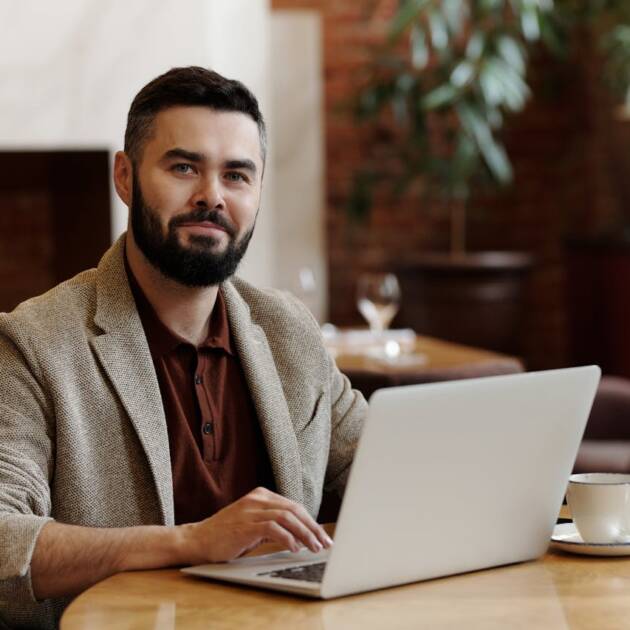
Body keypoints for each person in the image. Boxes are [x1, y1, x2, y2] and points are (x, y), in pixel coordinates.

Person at [0, 66, 367, 629]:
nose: (211, 197)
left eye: (237, 175)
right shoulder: (36, 344)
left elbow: (383, 464)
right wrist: (190, 542)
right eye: (183, 167)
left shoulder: (288, 330)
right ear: (125, 177)